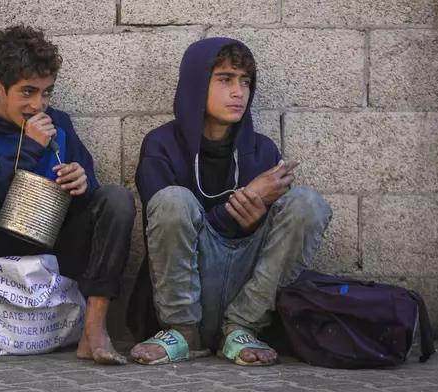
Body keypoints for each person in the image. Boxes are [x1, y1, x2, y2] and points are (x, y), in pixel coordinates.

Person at [0, 25, 135, 370]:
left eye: (46, 93)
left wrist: (83, 183)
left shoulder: (59, 123)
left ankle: (94, 330)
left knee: (117, 198)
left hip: (55, 246)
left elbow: (93, 196)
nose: (39, 104)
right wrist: (29, 149)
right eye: (27, 92)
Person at [126, 37, 333, 366]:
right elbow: (164, 227)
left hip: (246, 293)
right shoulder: (161, 145)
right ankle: (182, 333)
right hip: (183, 294)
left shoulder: (263, 151)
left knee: (307, 203)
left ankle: (242, 329)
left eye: (245, 81)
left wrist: (256, 215)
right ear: (197, 85)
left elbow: (273, 236)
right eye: (225, 79)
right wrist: (239, 209)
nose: (239, 92)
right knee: (172, 201)